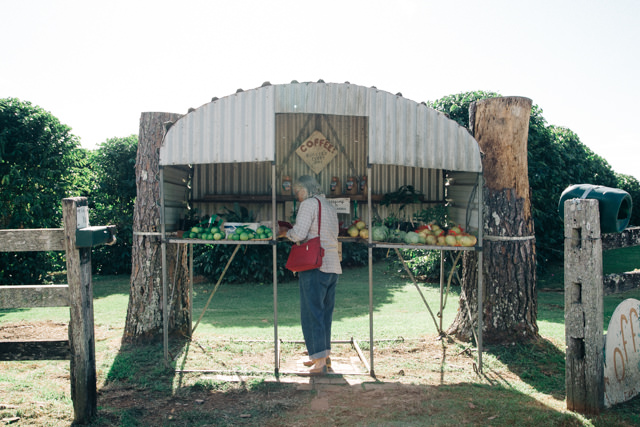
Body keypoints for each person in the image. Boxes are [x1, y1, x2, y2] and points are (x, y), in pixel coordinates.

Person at [279, 175, 342, 374]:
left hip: (315, 265)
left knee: (311, 313)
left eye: (297, 191)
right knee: (324, 314)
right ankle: (322, 356)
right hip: (332, 265)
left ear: (305, 190)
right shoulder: (329, 206)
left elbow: (298, 234)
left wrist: (285, 234)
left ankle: (319, 363)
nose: (297, 196)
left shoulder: (308, 204)